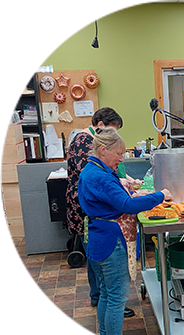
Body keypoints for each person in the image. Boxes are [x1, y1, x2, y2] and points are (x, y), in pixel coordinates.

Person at [78, 127, 172, 335]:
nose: (121, 159)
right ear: (103, 150)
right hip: (111, 241)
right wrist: (160, 195)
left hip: (98, 238)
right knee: (117, 299)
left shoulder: (91, 170)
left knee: (106, 295)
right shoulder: (100, 176)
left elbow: (112, 197)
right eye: (119, 154)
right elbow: (127, 206)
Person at [66, 107, 140, 317]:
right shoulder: (84, 141)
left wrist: (121, 181)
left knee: (98, 258)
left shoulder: (97, 149)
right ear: (100, 125)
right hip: (90, 208)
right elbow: (96, 179)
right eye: (111, 131)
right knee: (98, 260)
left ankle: (105, 299)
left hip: (97, 204)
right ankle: (102, 298)